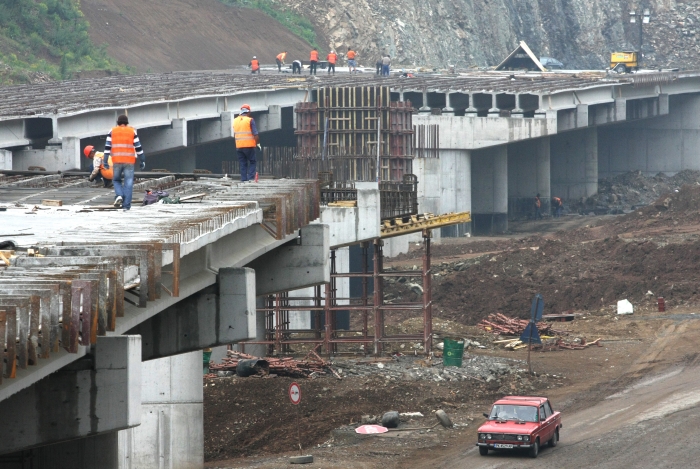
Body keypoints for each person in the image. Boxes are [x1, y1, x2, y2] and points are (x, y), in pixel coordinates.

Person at [105, 114, 145, 211]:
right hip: (129, 162)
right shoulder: (132, 131)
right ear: (127, 123)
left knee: (116, 180)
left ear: (117, 122)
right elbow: (138, 147)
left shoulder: (112, 131)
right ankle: (126, 206)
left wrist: (105, 160)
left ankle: (119, 195)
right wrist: (142, 159)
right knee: (128, 182)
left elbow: (107, 148)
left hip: (117, 161)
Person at [233, 104, 260, 182]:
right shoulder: (250, 120)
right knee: (252, 161)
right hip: (249, 146)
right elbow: (255, 134)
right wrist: (258, 144)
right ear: (248, 112)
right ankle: (251, 178)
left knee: (243, 163)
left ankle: (243, 179)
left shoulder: (235, 120)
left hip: (239, 146)